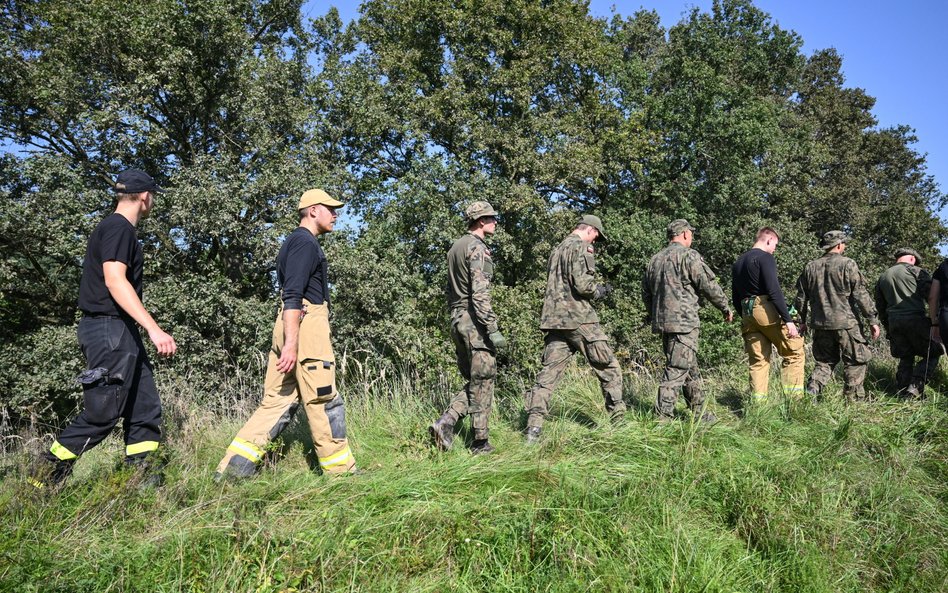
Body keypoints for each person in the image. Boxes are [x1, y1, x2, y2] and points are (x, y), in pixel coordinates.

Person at [30, 169, 177, 489]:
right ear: (144, 197)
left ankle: (142, 483)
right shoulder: (118, 228)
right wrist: (154, 328)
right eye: (152, 196)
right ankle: (42, 477)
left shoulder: (117, 229)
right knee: (102, 413)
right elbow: (114, 280)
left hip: (121, 332)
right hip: (109, 329)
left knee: (144, 408)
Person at [216, 189, 356, 478]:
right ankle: (341, 474)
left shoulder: (293, 242)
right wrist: (292, 343)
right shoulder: (305, 243)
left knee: (277, 402)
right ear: (313, 210)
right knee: (324, 400)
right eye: (330, 209)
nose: (335, 214)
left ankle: (232, 470)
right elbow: (293, 294)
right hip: (304, 326)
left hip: (289, 322)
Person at [522, 215, 625, 444]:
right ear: (590, 230)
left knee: (548, 376)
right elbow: (583, 285)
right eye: (596, 236)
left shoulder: (557, 250)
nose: (595, 241)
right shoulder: (583, 247)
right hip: (579, 318)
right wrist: (600, 290)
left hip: (554, 320)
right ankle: (620, 421)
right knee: (609, 367)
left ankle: (533, 429)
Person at [429, 201, 504, 455]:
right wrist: (492, 328)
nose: (496, 222)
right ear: (481, 221)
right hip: (474, 321)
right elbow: (480, 293)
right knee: (484, 379)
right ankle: (479, 443)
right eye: (493, 218)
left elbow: (451, 290)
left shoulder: (455, 248)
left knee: (475, 379)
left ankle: (447, 423)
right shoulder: (477, 247)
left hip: (457, 318)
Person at [643, 219, 732, 422]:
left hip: (664, 323)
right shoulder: (689, 256)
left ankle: (699, 413)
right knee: (677, 369)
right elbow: (708, 285)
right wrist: (724, 306)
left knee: (688, 367)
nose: (691, 237)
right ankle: (662, 417)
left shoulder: (655, 260)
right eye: (690, 233)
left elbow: (646, 294)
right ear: (684, 234)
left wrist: (656, 314)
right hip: (684, 323)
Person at [793, 231, 880, 400]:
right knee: (856, 361)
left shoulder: (810, 266)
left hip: (820, 324)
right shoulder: (848, 264)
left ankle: (813, 389)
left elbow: (801, 297)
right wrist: (872, 319)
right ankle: (853, 400)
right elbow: (860, 294)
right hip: (846, 323)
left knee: (824, 362)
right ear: (839, 245)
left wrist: (801, 321)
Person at [731, 227, 804, 402]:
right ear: (769, 239)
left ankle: (759, 408)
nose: (774, 249)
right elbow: (774, 290)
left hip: (747, 314)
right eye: (775, 245)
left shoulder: (738, 262)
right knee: (794, 352)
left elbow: (735, 296)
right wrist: (788, 321)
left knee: (758, 361)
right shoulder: (765, 257)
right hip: (764, 310)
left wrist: (746, 317)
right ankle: (795, 403)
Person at [875, 248, 941, 397]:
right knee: (935, 351)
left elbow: (880, 305)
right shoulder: (915, 271)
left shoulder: (883, 276)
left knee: (906, 357)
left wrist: (887, 326)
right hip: (914, 319)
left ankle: (902, 391)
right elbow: (931, 295)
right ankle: (916, 386)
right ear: (912, 259)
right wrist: (935, 320)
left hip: (894, 321)